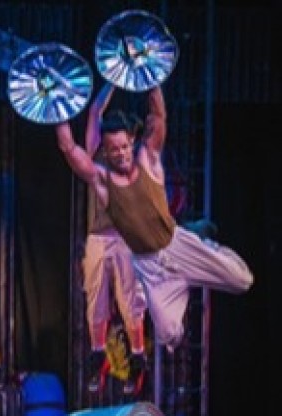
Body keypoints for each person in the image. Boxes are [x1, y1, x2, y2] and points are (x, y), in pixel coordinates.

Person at [55, 84, 254, 362]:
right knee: (169, 334)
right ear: (106, 152)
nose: (121, 154)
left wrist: (150, 78)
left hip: (178, 246)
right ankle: (182, 283)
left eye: (124, 147)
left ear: (131, 142)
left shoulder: (148, 160)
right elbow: (69, 148)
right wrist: (55, 109)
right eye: (114, 150)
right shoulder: (102, 180)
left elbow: (158, 116)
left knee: (243, 281)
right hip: (150, 266)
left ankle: (207, 245)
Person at [80, 82, 148, 395]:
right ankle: (98, 357)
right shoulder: (96, 157)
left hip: (126, 238)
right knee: (95, 300)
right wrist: (115, 79)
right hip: (98, 237)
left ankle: (137, 358)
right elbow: (95, 111)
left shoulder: (137, 161)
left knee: (131, 302)